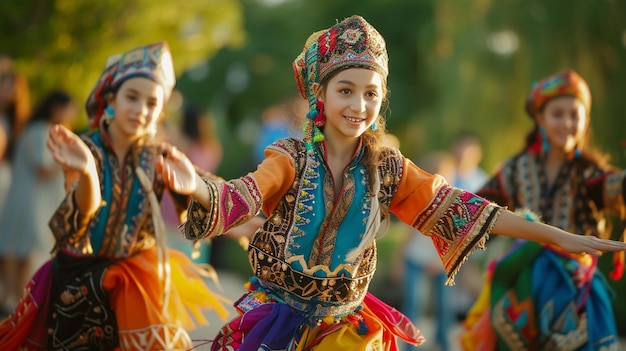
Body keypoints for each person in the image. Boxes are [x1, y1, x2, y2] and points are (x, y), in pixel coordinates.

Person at [159, 17, 626, 350]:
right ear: (320, 94)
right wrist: (196, 186)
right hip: (277, 321)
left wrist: (559, 236)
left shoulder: (390, 169)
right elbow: (242, 197)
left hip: (346, 332)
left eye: (370, 93)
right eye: (346, 90)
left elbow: (463, 207)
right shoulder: (290, 158)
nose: (358, 104)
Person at [0, 41, 228, 350]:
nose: (140, 109)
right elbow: (80, 222)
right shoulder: (86, 148)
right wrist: (87, 173)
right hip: (78, 284)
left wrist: (250, 220)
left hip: (135, 289)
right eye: (132, 97)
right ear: (110, 99)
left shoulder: (160, 156)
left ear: (160, 110)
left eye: (151, 103)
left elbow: (210, 191)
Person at [460, 69, 625, 350]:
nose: (567, 123)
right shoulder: (515, 170)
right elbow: (475, 211)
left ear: (586, 121)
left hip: (575, 287)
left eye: (575, 114)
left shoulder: (590, 173)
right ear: (539, 119)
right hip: (523, 283)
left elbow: (617, 186)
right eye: (557, 114)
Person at [0, 90, 77, 316]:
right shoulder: (40, 131)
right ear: (56, 107)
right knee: (21, 252)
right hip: (29, 203)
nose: (71, 114)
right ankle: (16, 303)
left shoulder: (43, 131)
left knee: (22, 252)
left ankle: (15, 302)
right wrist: (73, 164)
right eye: (68, 108)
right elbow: (44, 169)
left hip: (33, 202)